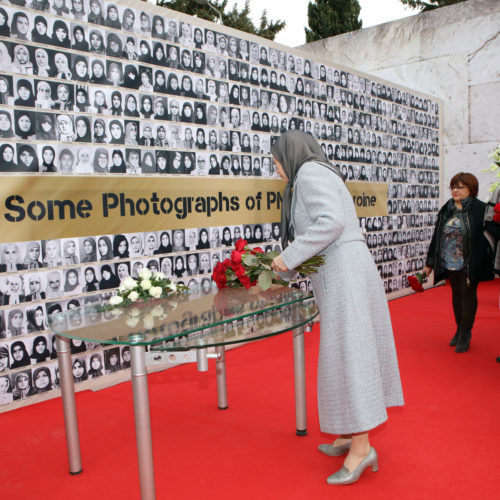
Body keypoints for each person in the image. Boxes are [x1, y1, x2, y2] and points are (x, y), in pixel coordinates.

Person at [270, 131, 404, 485]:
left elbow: (330, 223)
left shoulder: (311, 174)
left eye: (276, 161)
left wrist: (287, 258)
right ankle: (349, 435)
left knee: (350, 357)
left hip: (344, 277)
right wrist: (286, 268)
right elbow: (322, 231)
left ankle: (362, 449)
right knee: (343, 355)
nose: (276, 169)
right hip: (342, 274)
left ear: (290, 153)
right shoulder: (318, 172)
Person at [423, 172, 494, 353]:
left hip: (471, 259)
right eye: (453, 186)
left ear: (471, 189)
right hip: (449, 259)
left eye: (460, 187)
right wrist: (430, 263)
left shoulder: (481, 209)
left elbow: (490, 236)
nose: (455, 190)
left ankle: (465, 332)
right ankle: (458, 327)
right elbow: (436, 236)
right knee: (456, 292)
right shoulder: (447, 208)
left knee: (467, 293)